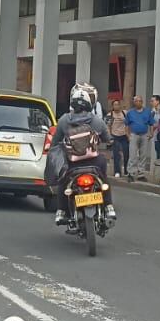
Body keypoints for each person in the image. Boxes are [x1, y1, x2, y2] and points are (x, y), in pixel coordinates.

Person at [48, 83, 114, 226]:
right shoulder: (97, 120)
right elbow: (108, 140)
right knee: (103, 178)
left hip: (72, 163)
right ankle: (109, 207)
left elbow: (55, 142)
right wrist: (108, 142)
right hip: (94, 162)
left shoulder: (64, 120)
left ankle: (61, 211)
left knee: (63, 183)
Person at [124, 95, 155, 182]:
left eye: (140, 101)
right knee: (133, 155)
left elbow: (151, 123)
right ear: (134, 102)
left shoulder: (147, 112)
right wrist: (128, 135)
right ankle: (131, 173)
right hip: (134, 135)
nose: (138, 102)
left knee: (143, 155)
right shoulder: (130, 113)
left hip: (144, 135)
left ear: (142, 102)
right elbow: (126, 125)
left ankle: (141, 173)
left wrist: (151, 133)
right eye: (136, 101)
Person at [106, 99, 130, 179]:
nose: (116, 106)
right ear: (113, 106)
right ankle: (117, 171)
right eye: (115, 105)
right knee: (116, 155)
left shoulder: (125, 113)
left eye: (118, 104)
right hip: (115, 136)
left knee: (126, 153)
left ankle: (126, 170)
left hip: (124, 135)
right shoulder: (110, 114)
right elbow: (108, 127)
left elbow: (129, 124)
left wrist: (129, 135)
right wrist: (110, 137)